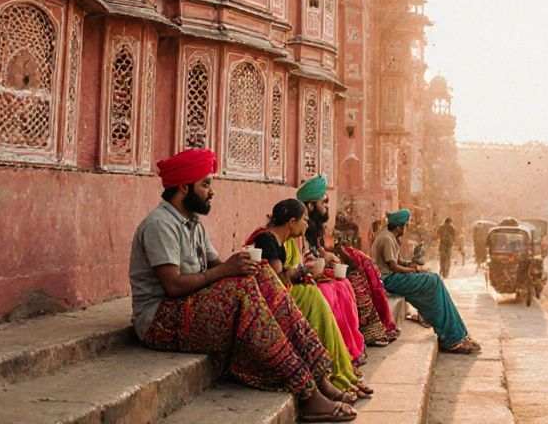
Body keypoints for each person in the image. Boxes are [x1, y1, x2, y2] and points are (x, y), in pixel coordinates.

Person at [130, 149, 357, 422]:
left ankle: (320, 379)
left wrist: (240, 265)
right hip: (159, 319)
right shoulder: (160, 224)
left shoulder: (193, 224)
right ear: (183, 188)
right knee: (244, 292)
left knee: (261, 274)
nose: (211, 191)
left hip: (187, 304)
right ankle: (307, 393)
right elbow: (173, 286)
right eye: (205, 184)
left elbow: (217, 266)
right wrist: (228, 270)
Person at [246, 198, 370, 402]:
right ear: (292, 222)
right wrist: (302, 270)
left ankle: (344, 372)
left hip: (282, 293)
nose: (306, 224)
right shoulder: (266, 239)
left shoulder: (280, 242)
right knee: (314, 296)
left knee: (321, 295)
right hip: (270, 299)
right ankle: (335, 375)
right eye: (304, 220)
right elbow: (277, 278)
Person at [371, 209, 480, 354]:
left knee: (436, 284)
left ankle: (459, 334)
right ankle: (454, 337)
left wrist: (413, 265)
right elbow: (393, 266)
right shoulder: (386, 238)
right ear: (399, 227)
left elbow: (400, 261)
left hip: (394, 277)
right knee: (434, 281)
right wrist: (414, 271)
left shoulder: (390, 237)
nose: (406, 228)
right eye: (405, 225)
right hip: (389, 279)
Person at [296, 177, 367, 366]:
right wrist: (318, 263)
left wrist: (328, 258)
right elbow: (300, 258)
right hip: (299, 278)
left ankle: (348, 348)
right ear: (310, 206)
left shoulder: (315, 227)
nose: (327, 206)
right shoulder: (297, 228)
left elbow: (316, 251)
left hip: (311, 272)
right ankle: (333, 353)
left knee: (344, 285)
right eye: (323, 202)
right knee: (330, 290)